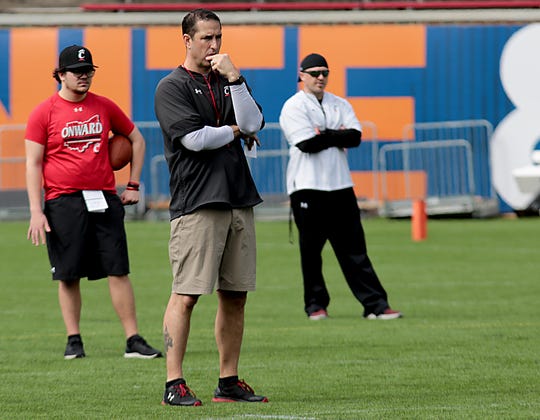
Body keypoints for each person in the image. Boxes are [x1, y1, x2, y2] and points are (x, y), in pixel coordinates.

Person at [154, 9, 268, 406]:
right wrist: (234, 131)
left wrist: (236, 80)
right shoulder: (171, 86)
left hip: (238, 196)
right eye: (206, 38)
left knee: (235, 294)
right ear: (187, 39)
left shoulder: (229, 78)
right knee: (186, 294)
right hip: (198, 201)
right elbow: (195, 140)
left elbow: (254, 123)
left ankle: (228, 380)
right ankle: (174, 383)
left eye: (218, 37)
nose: (215, 45)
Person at [25, 45, 162, 360]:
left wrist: (133, 184)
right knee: (68, 273)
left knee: (118, 268)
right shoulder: (43, 112)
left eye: (88, 70)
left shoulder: (104, 106)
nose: (84, 75)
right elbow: (33, 163)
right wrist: (36, 210)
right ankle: (74, 339)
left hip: (103, 197)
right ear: (60, 75)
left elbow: (137, 140)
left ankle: (133, 339)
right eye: (76, 71)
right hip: (63, 200)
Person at [279, 53, 403, 321]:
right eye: (315, 73)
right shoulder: (293, 106)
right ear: (302, 76)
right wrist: (336, 135)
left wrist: (324, 134)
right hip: (307, 186)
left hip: (341, 186)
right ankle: (315, 306)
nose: (321, 77)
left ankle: (375, 305)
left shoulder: (339, 103)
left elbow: (355, 136)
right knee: (311, 252)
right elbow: (306, 144)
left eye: (325, 72)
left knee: (355, 250)